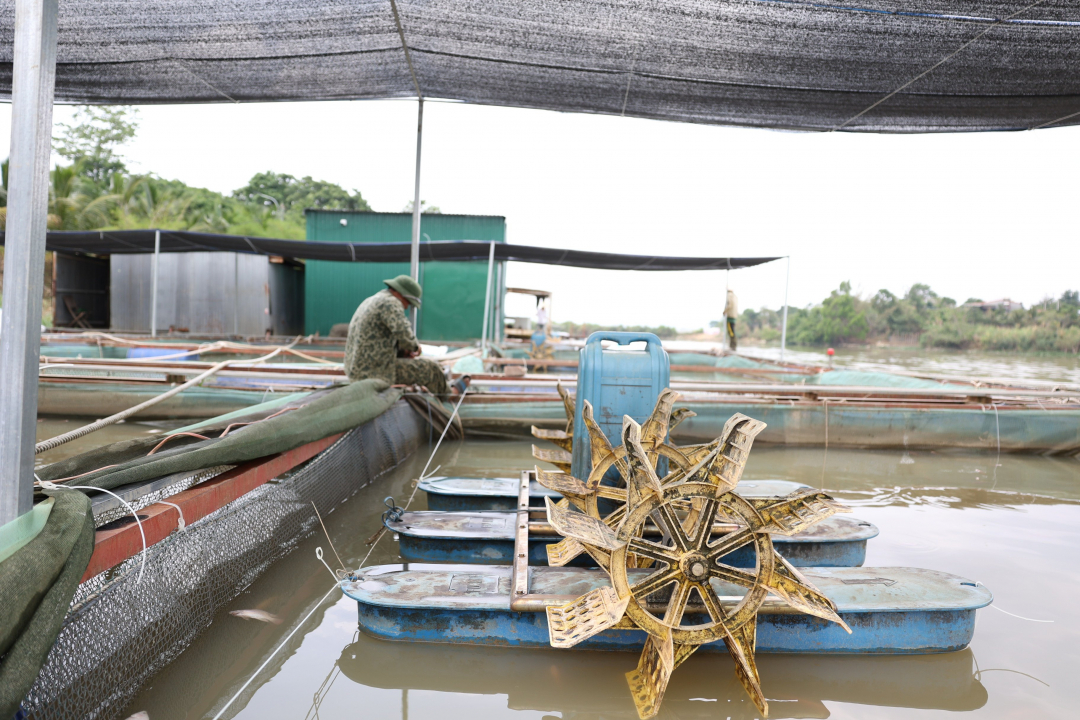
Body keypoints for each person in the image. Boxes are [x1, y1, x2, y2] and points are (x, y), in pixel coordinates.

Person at [343, 274, 450, 395]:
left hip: (356, 371)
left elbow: (376, 340)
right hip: (375, 372)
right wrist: (416, 348)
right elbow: (404, 335)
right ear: (403, 294)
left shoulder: (371, 300)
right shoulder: (391, 302)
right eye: (408, 303)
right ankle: (450, 395)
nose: (406, 307)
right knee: (431, 369)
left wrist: (401, 351)